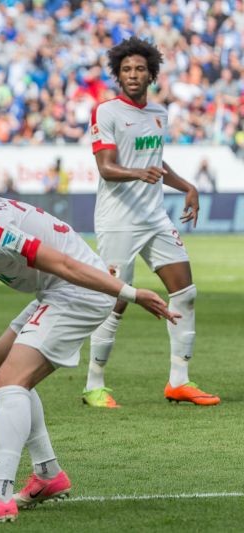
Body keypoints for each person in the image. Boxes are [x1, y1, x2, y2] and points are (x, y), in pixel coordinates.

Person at [0, 164, 178, 524]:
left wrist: (130, 293)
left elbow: (61, 263)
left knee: (10, 379)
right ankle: (48, 475)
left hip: (78, 290)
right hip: (58, 290)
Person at [85, 37, 219, 407]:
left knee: (185, 293)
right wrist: (138, 172)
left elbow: (157, 164)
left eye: (139, 69)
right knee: (115, 301)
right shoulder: (106, 111)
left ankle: (179, 381)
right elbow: (106, 168)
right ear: (117, 74)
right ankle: (94, 384)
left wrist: (186, 186)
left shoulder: (158, 112)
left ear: (151, 74)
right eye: (126, 69)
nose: (132, 74)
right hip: (118, 221)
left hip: (155, 217)